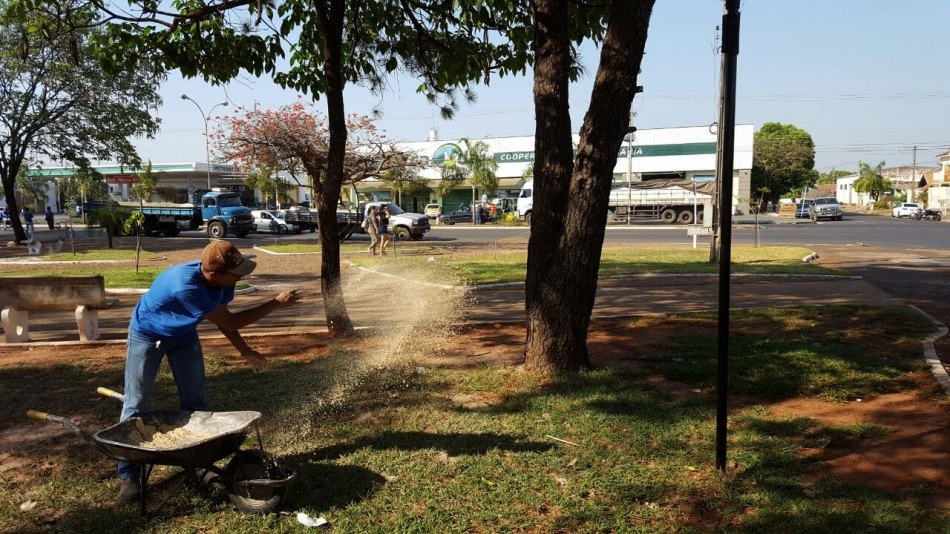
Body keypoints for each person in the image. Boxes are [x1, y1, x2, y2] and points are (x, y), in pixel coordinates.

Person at [115, 240, 299, 502]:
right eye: (236, 274)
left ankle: (196, 466)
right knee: (136, 402)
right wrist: (275, 303)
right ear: (215, 274)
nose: (240, 277)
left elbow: (224, 318)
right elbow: (232, 320)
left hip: (183, 334)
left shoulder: (221, 281)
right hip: (148, 334)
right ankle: (129, 474)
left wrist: (244, 351)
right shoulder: (186, 286)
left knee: (195, 403)